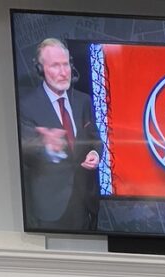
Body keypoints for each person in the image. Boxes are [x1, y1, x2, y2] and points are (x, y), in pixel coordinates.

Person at [20, 38, 102, 231]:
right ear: (40, 69)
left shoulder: (83, 101)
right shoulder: (26, 105)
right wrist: (46, 146)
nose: (63, 72)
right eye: (55, 66)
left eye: (65, 64)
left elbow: (94, 137)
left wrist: (95, 154)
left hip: (85, 203)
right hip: (50, 207)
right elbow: (25, 152)